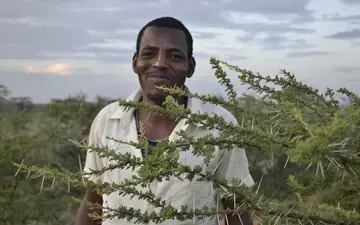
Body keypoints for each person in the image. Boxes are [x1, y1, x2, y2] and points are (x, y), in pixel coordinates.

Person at [74, 16, 257, 225]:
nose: (160, 63)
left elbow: (237, 212)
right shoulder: (108, 120)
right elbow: (93, 202)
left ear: (191, 67)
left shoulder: (218, 125)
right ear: (136, 62)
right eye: (149, 54)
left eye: (175, 56)